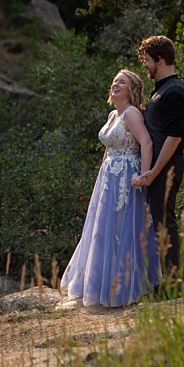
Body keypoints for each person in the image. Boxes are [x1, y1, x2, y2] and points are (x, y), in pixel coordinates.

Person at [60, 69, 160, 308]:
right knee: (103, 229)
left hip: (128, 176)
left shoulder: (132, 113)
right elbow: (108, 148)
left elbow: (146, 143)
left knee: (124, 229)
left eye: (122, 82)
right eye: (115, 80)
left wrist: (144, 175)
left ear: (131, 89)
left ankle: (127, 288)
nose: (116, 84)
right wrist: (101, 172)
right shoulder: (112, 115)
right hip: (108, 178)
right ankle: (102, 285)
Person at [132, 36, 184, 287]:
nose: (145, 66)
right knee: (158, 222)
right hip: (159, 168)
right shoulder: (160, 89)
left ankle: (173, 284)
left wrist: (155, 170)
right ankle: (163, 281)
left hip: (167, 167)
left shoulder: (174, 91)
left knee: (165, 222)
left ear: (160, 59)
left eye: (147, 60)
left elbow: (175, 136)